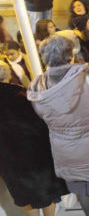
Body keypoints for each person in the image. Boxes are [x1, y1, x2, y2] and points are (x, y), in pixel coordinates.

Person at [28, 35, 89, 216]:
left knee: (82, 190)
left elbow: (42, 115)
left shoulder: (37, 86)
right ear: (70, 55)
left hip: (65, 149)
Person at [0, 60, 68, 216]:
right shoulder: (21, 94)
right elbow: (40, 121)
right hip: (34, 153)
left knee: (25, 195)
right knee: (47, 193)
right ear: (8, 73)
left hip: (8, 157)